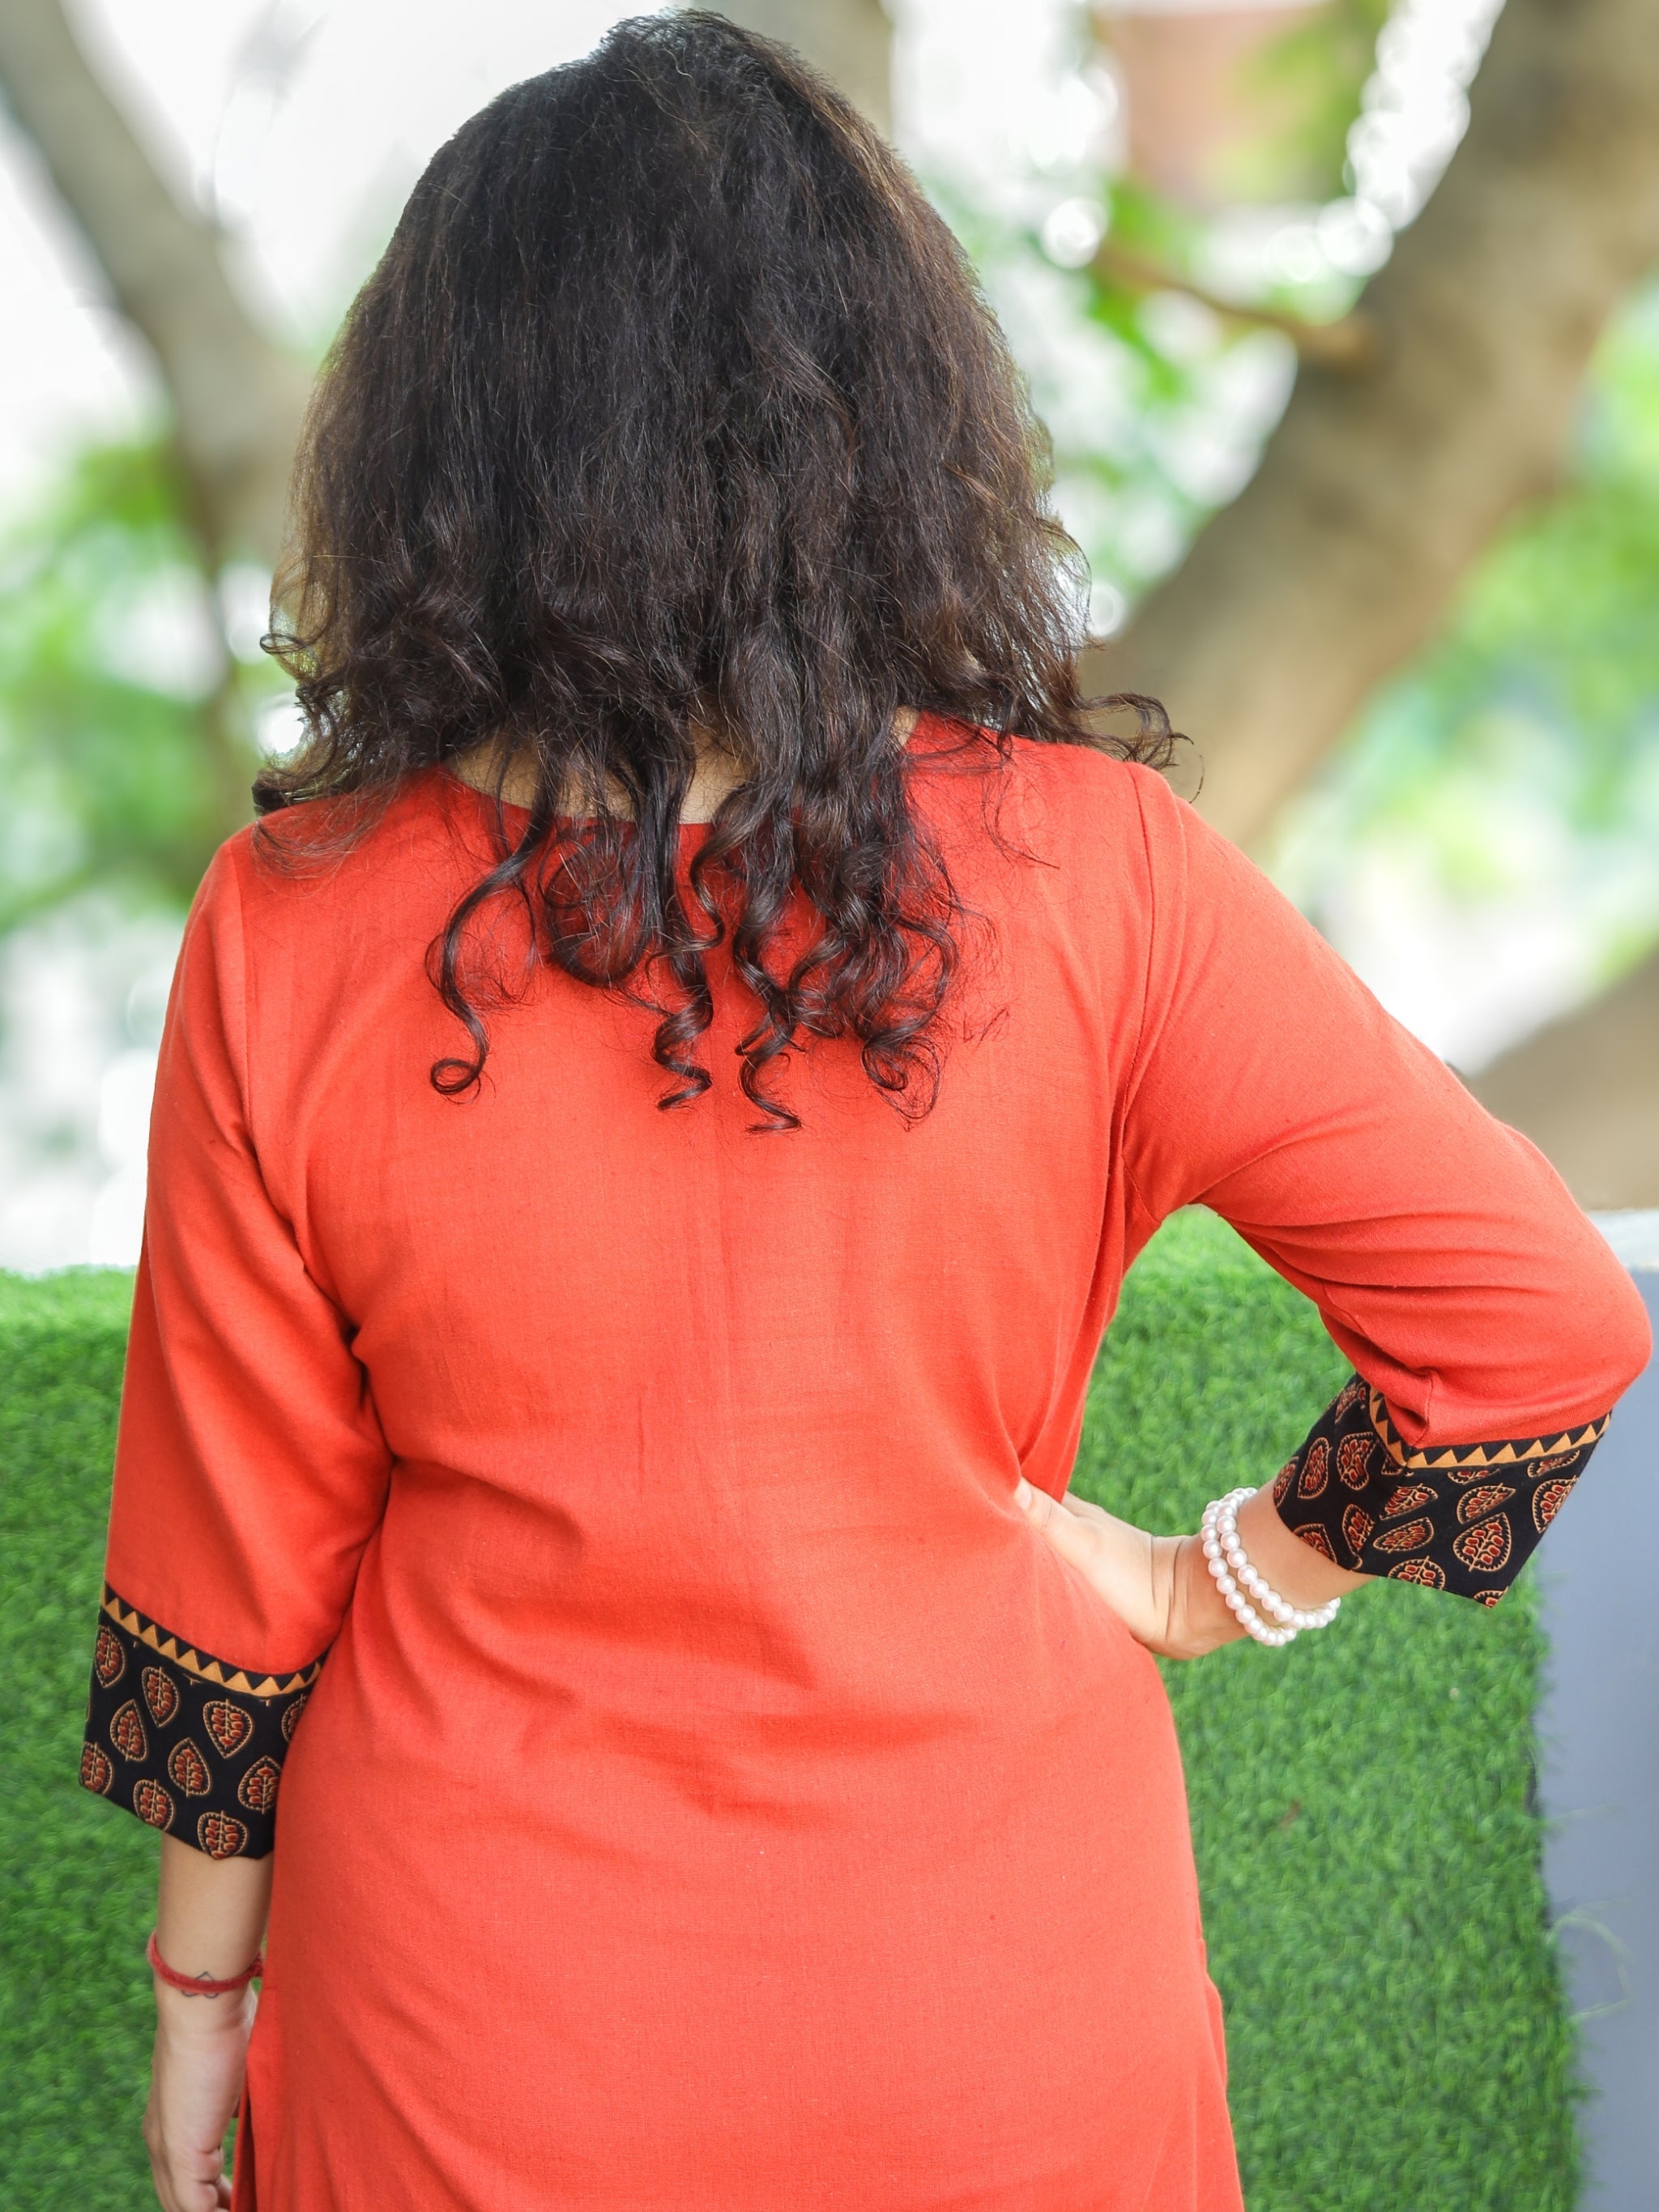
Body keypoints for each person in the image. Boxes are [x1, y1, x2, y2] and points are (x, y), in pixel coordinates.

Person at [78, 16, 1649, 2212]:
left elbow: (235, 1582)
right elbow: (1542, 1320)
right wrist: (1218, 1579)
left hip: (471, 2044)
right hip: (1012, 2036)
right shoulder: (1097, 872)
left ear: (444, 446)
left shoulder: (289, 926)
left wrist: (199, 1999)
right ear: (885, 425)